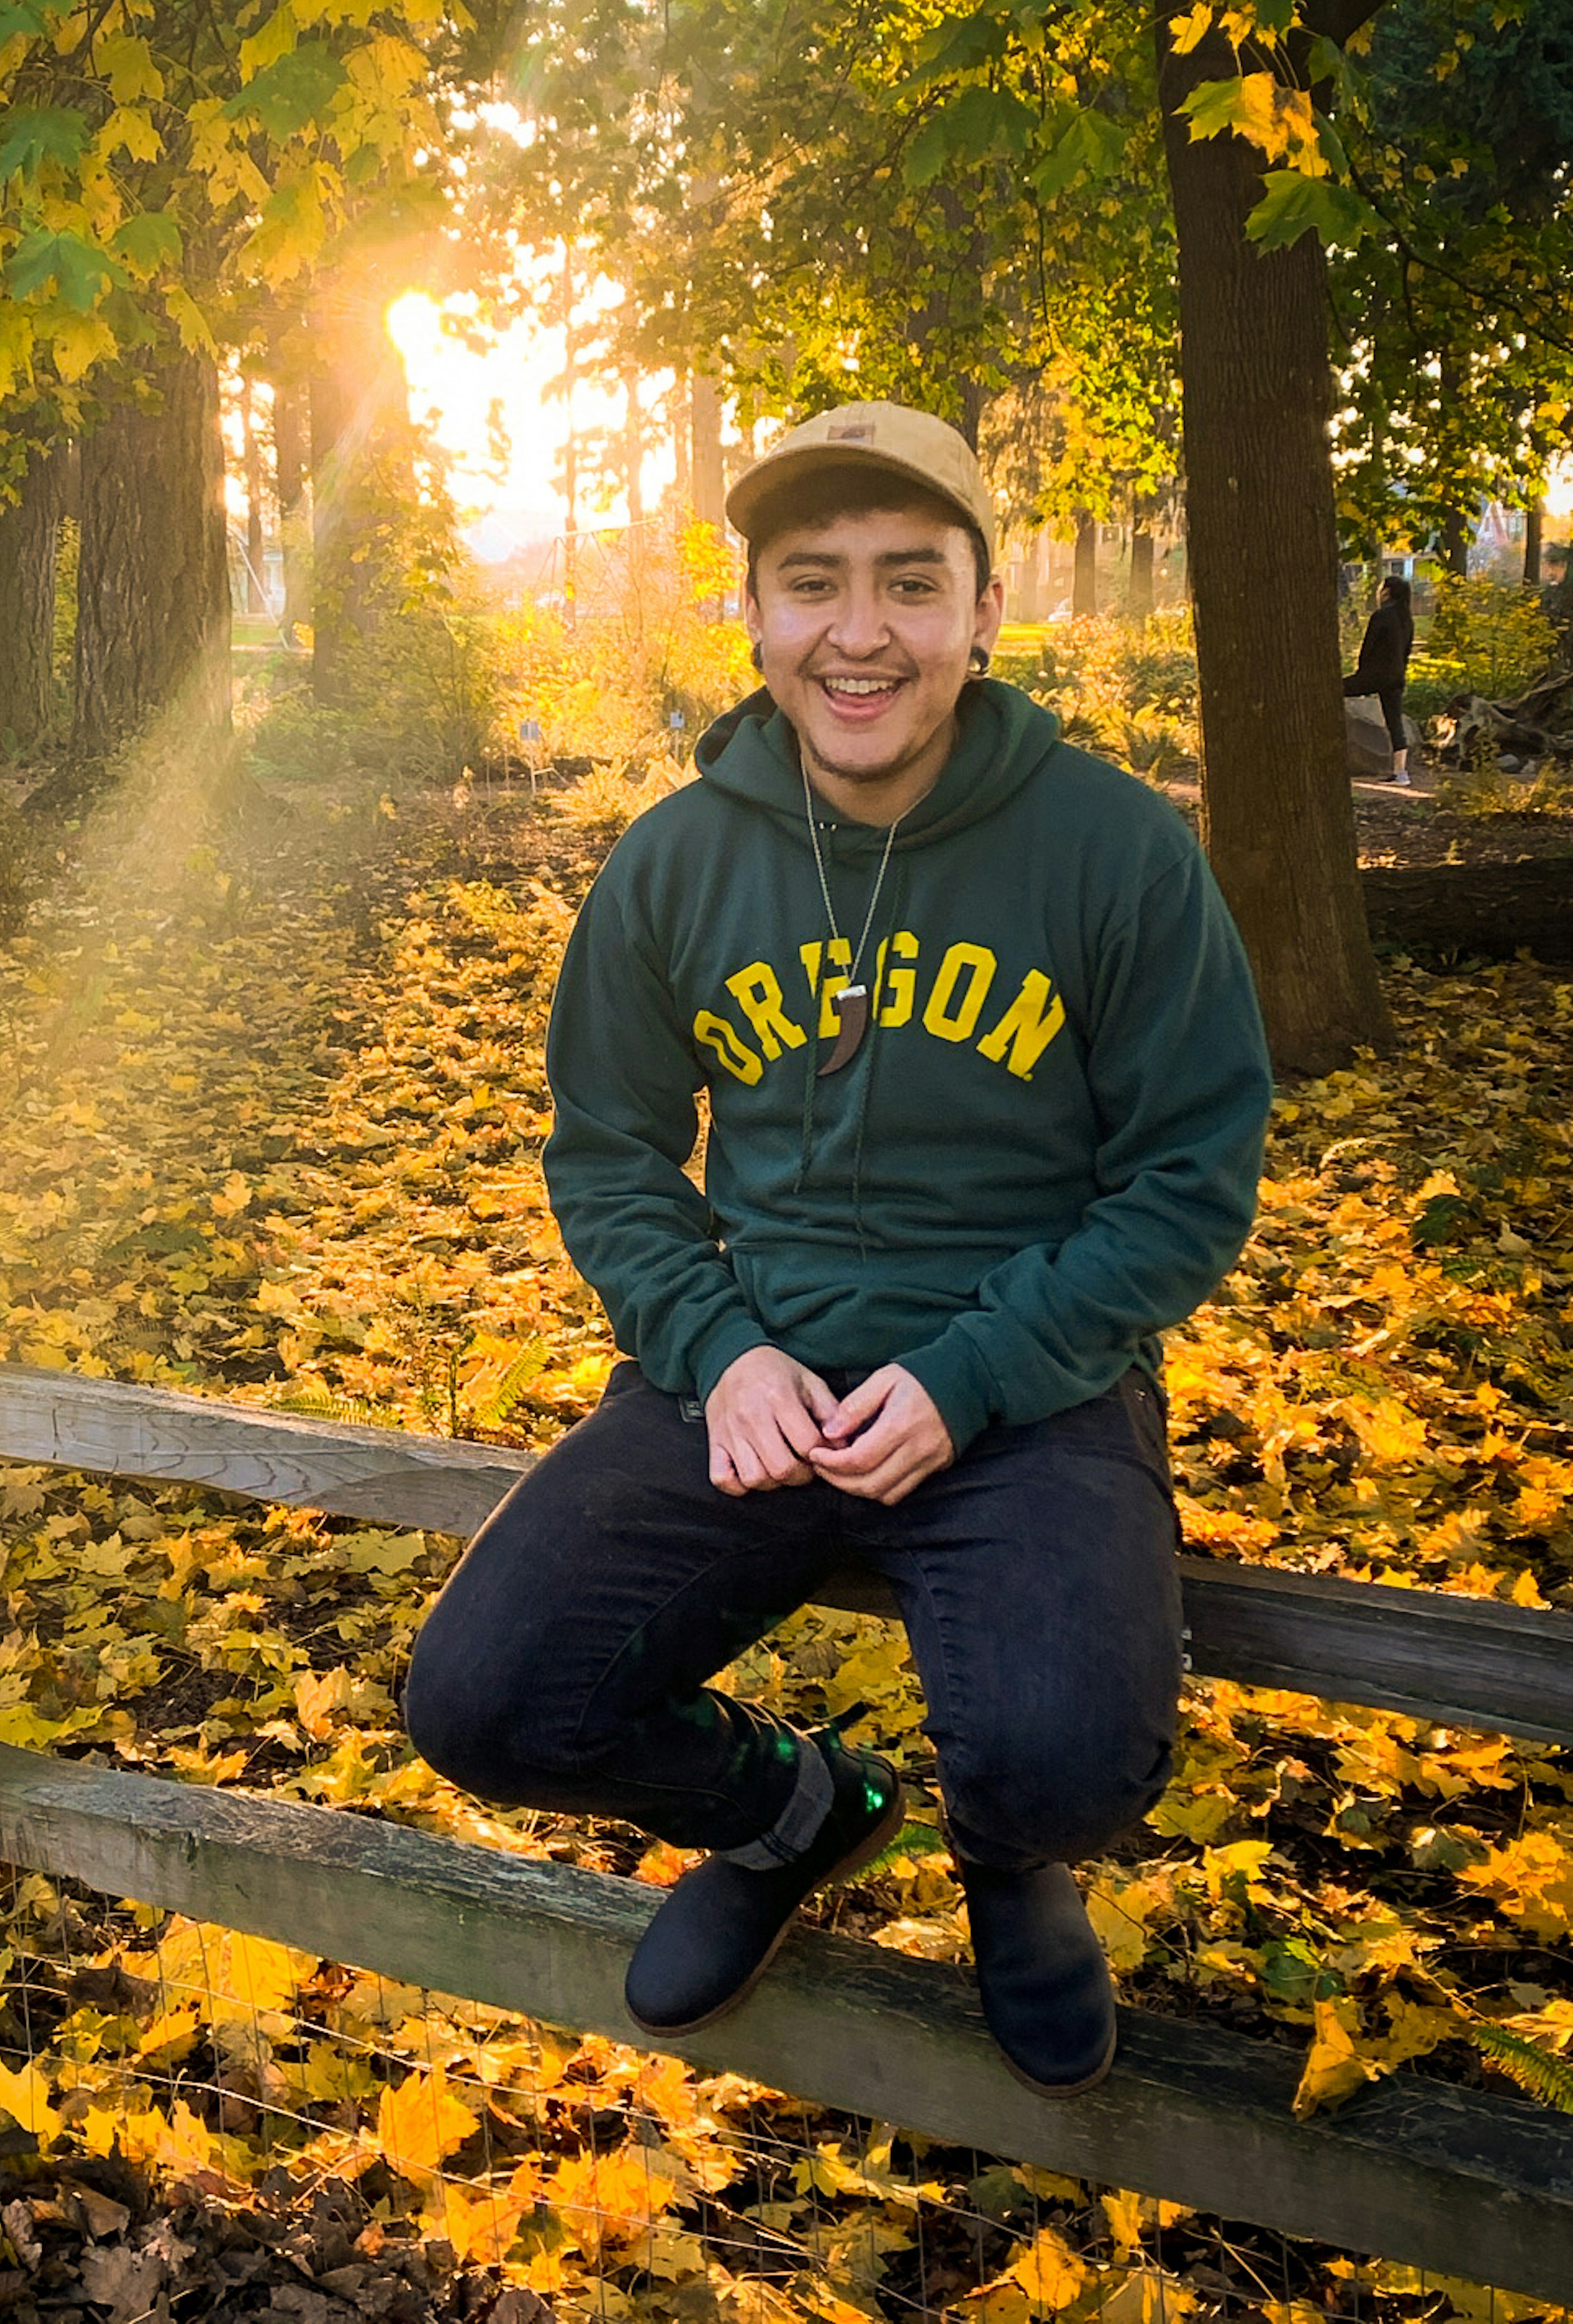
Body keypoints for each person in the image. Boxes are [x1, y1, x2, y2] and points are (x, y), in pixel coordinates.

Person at [403, 402, 1273, 2098]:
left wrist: (975, 1375)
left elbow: (1188, 1179)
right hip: (754, 1373)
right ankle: (797, 1815)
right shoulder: (675, 865)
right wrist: (716, 1348)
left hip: (1029, 1381)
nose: (859, 631)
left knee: (1076, 1754)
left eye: (908, 583)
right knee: (488, 1705)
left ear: (983, 614)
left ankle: (1010, 1861)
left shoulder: (1117, 858)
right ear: (757, 615)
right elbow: (611, 1156)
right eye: (814, 585)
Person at [1344, 574, 1416, 786]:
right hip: (1396, 677)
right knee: (1395, 724)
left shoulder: (1381, 616)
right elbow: (1406, 652)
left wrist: (1362, 674)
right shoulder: (1407, 619)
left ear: (1387, 592)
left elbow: (1368, 648)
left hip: (1375, 675)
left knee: (1333, 690)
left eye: (1381, 588)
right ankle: (1401, 774)